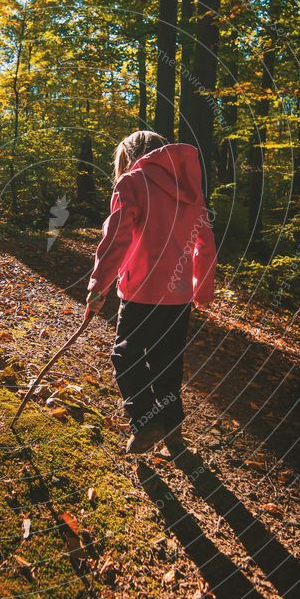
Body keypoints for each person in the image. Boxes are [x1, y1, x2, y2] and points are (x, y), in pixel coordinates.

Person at [85, 130, 217, 454]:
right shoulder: (189, 187)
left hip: (141, 293)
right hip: (180, 296)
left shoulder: (131, 183)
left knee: (125, 355)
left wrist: (98, 286)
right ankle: (172, 427)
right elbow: (206, 244)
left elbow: (116, 241)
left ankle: (145, 421)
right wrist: (202, 290)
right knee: (167, 361)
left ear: (128, 156)